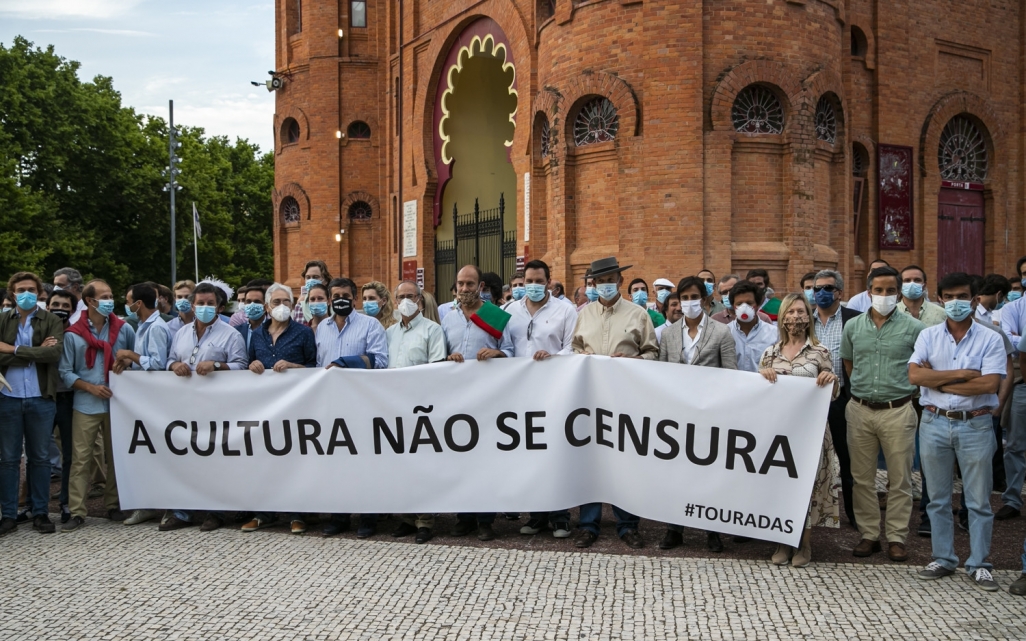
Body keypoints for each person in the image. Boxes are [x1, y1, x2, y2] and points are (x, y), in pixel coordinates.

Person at [909, 272, 1005, 591]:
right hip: (935, 421)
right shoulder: (928, 336)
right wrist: (964, 375)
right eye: (948, 297)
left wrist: (938, 378)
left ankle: (979, 563)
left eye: (962, 296)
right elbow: (915, 376)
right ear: (939, 299)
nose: (955, 303)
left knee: (978, 500)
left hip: (975, 423)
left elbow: (990, 383)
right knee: (936, 498)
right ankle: (944, 558)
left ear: (975, 300)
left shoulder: (990, 337)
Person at [571, 257, 657, 550]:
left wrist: (633, 361)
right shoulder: (583, 315)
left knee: (625, 459)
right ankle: (588, 524)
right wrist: (579, 359)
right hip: (590, 398)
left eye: (610, 279)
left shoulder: (638, 314)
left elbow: (652, 354)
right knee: (588, 460)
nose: (604, 285)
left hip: (626, 399)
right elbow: (575, 349)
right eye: (599, 281)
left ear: (620, 281)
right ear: (593, 284)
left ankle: (627, 525)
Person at [841, 265, 924, 561]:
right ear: (868, 292)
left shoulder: (915, 328)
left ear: (898, 293)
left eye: (890, 291)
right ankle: (869, 535)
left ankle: (897, 537)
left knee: (900, 479)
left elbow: (923, 367)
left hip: (898, 409)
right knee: (861, 477)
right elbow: (849, 365)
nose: (884, 295)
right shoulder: (852, 327)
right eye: (879, 290)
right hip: (860, 410)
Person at [159, 281, 248, 533]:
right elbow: (170, 359)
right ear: (193, 304)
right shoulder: (181, 333)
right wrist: (173, 366)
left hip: (218, 408)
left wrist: (217, 366)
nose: (205, 307)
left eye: (210, 304)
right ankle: (183, 511)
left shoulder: (231, 335)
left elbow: (242, 365)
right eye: (200, 303)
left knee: (216, 460)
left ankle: (216, 511)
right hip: (185, 407)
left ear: (219, 307)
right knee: (186, 458)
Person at [657, 276, 737, 553]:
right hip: (677, 415)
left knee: (708, 473)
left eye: (694, 297)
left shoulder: (721, 332)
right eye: (684, 298)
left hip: (709, 413)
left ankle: (711, 530)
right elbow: (662, 374)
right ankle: (674, 528)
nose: (689, 303)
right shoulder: (668, 334)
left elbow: (731, 374)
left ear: (704, 299)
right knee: (675, 471)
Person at [759, 294, 840, 566]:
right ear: (782, 317)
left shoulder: (821, 352)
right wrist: (764, 377)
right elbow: (756, 394)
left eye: (801, 311)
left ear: (809, 316)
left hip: (810, 434)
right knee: (780, 486)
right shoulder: (770, 354)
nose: (796, 316)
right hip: (778, 434)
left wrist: (830, 379)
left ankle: (804, 544)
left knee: (806, 487)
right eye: (790, 311)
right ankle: (782, 541)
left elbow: (834, 392)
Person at [505, 260, 577, 539]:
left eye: (538, 281)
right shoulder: (510, 310)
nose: (532, 286)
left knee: (556, 452)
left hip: (554, 391)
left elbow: (573, 346)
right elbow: (504, 346)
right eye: (528, 281)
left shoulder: (565, 310)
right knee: (529, 454)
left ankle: (561, 516)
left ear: (549, 282)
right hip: (521, 394)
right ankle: (537, 515)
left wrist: (553, 357)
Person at [58, 279, 136, 532]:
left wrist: (127, 363)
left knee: (116, 457)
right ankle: (77, 511)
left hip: (118, 402)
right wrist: (90, 387)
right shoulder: (73, 333)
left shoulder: (123, 329)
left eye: (111, 296)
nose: (109, 301)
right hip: (86, 403)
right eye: (104, 296)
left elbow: (135, 359)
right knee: (81, 459)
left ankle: (113, 504)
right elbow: (65, 372)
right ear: (90, 301)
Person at [442, 265, 513, 540]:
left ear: (480, 285)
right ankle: (464, 517)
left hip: (488, 398)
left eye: (470, 284)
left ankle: (486, 520)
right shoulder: (447, 317)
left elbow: (510, 351)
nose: (464, 289)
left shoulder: (495, 316)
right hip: (456, 398)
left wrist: (497, 352)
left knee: (485, 458)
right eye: (460, 283)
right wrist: (449, 359)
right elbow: (442, 352)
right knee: (459, 457)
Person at [240, 283, 317, 535]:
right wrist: (252, 366)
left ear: (293, 306)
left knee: (295, 459)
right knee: (265, 459)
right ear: (267, 307)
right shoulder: (257, 334)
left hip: (296, 407)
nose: (281, 307)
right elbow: (250, 361)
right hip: (264, 408)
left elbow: (314, 368)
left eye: (286, 302)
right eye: (276, 303)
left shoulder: (304, 333)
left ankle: (297, 514)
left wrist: (295, 366)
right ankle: (264, 512)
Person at [316, 276, 388, 537]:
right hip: (331, 404)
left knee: (366, 461)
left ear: (354, 299)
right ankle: (339, 516)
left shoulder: (371, 325)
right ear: (329, 299)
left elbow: (380, 361)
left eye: (345, 296)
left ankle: (368, 518)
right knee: (337, 462)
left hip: (362, 403)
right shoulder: (321, 328)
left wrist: (345, 363)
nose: (340, 300)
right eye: (335, 297)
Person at [0, 272, 64, 536]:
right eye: (20, 289)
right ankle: (8, 514)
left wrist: (11, 349)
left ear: (39, 292)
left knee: (40, 458)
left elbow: (52, 353)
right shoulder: (3, 319)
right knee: (8, 459)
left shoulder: (49, 319)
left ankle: (40, 512)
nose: (26, 293)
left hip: (41, 398)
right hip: (8, 398)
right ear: (12, 293)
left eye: (31, 289)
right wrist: (35, 352)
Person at [385, 280, 447, 544]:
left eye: (411, 296)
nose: (406, 300)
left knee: (423, 464)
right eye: (401, 296)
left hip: (421, 405)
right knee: (401, 464)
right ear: (395, 301)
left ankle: (425, 519)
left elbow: (436, 369)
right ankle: (407, 517)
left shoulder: (432, 330)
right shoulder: (390, 332)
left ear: (420, 300)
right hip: (393, 405)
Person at [111, 283, 173, 526]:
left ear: (138, 304)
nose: (127, 306)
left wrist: (129, 355)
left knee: (163, 454)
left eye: (129, 301)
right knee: (146, 455)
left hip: (157, 400)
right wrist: (130, 363)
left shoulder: (156, 328)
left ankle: (169, 505)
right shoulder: (144, 326)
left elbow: (158, 363)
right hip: (145, 400)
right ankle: (146, 504)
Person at [811, 270, 861, 530]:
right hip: (809, 403)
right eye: (816, 288)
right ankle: (807, 514)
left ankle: (856, 516)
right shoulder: (803, 320)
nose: (820, 292)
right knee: (808, 459)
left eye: (827, 287)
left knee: (850, 460)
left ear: (839, 292)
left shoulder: (856, 320)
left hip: (844, 401)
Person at [998, 256, 1026, 519]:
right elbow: (1011, 341)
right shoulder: (1013, 308)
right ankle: (1013, 499)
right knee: (1016, 444)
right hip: (1023, 383)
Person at [46, 289, 76, 524]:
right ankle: (35, 504)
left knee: (69, 454)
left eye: (65, 306)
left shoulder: (75, 335)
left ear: (72, 310)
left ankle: (65, 502)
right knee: (37, 454)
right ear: (47, 307)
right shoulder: (39, 333)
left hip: (68, 400)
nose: (60, 309)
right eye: (55, 304)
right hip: (43, 397)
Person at [727, 280, 777, 373]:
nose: (744, 307)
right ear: (733, 306)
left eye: (749, 303)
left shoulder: (774, 333)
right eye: (739, 304)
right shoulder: (725, 333)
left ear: (758, 305)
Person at [292, 260, 333, 326]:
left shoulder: (335, 305)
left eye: (315, 277)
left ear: (325, 280)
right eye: (308, 277)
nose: (311, 280)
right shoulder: (301, 306)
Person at [235, 285, 267, 352]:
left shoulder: (275, 330)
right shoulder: (236, 331)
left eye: (257, 301)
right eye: (248, 301)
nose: (252, 305)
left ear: (265, 306)